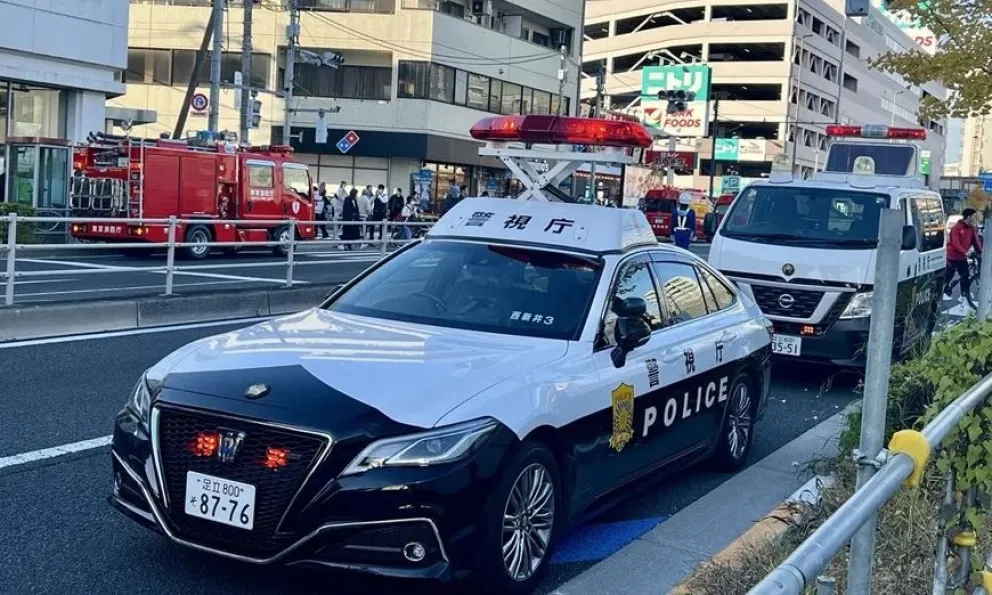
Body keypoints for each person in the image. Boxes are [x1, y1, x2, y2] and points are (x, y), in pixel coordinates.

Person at [945, 207, 983, 309]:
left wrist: (981, 253)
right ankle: (944, 289)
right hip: (952, 255)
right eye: (974, 216)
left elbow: (976, 242)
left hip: (962, 257)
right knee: (949, 274)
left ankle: (964, 295)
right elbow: (955, 243)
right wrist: (965, 252)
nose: (975, 219)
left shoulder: (971, 228)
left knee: (965, 276)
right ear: (969, 216)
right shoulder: (957, 227)